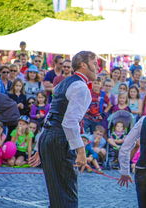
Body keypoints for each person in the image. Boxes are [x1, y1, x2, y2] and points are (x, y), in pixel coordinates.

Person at [32, 51, 98, 208]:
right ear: (83, 65)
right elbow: (69, 122)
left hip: (48, 137)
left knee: (57, 194)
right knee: (66, 196)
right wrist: (81, 151)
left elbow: (51, 114)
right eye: (94, 63)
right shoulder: (80, 87)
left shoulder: (63, 83)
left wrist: (39, 145)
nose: (97, 67)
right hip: (59, 139)